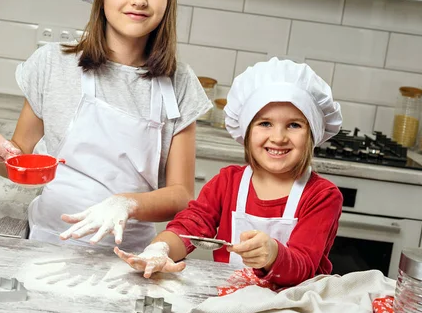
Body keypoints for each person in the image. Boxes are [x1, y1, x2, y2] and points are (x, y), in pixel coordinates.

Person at [0, 0, 211, 251]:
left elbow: (181, 195)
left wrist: (127, 203)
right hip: (46, 243)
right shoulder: (52, 65)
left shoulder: (180, 84)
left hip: (130, 256)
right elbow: (19, 160)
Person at [115, 57, 344, 287]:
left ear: (312, 133)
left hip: (294, 306)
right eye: (265, 123)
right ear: (246, 131)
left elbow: (303, 266)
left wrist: (273, 254)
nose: (278, 137)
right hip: (231, 301)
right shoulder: (228, 183)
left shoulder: (322, 196)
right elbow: (189, 227)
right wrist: (160, 249)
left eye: (294, 125)